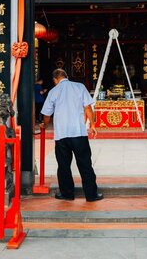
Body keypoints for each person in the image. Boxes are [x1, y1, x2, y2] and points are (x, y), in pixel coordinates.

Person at [40, 68, 103, 202]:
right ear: (66, 76)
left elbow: (46, 114)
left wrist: (44, 125)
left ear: (55, 80)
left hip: (62, 135)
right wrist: (92, 125)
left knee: (63, 166)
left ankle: (67, 194)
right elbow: (88, 108)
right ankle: (91, 195)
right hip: (78, 133)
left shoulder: (53, 91)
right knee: (85, 164)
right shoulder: (79, 87)